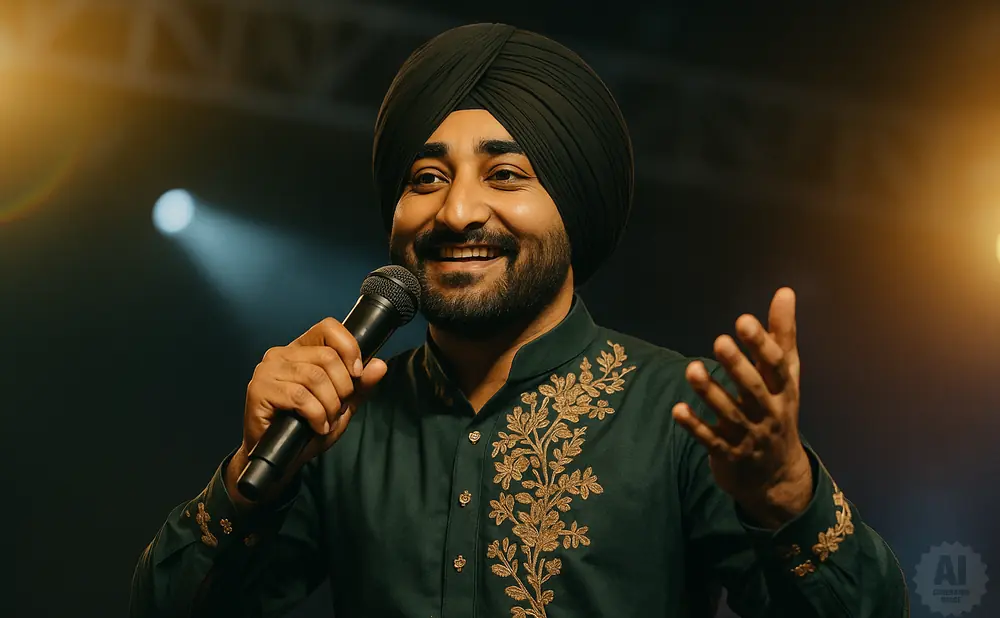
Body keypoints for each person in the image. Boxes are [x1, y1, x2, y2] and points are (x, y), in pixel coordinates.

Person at [130, 23, 908, 617]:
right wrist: (249, 480)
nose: (458, 210)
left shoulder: (681, 414)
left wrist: (783, 494)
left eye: (505, 174)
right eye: (427, 177)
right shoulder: (342, 426)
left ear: (575, 205)